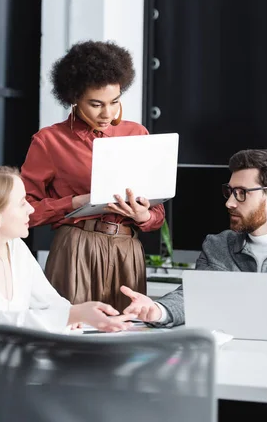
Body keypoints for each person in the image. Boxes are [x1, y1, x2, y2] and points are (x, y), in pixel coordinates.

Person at [0, 165, 133, 420]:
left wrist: (83, 316)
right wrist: (72, 314)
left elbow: (53, 305)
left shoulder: (16, 249)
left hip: (11, 385)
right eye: (22, 202)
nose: (32, 209)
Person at [21, 40, 165, 311]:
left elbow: (157, 215)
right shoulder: (49, 141)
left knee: (128, 329)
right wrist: (76, 202)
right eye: (96, 104)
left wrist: (143, 216)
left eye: (115, 102)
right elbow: (26, 211)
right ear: (74, 97)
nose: (107, 114)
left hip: (127, 250)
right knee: (74, 331)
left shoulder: (137, 134)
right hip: (77, 248)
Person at [120, 149, 267, 329]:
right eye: (230, 191)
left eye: (241, 193)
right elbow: (194, 296)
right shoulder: (218, 246)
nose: (229, 203)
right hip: (229, 359)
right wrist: (157, 310)